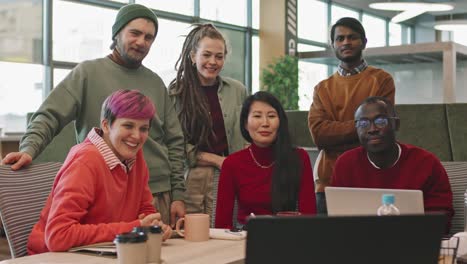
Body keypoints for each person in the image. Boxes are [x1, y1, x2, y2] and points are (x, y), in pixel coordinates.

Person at [1, 4, 186, 226]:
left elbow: (175, 141)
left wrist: (178, 195)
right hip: (107, 194)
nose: (141, 42)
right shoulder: (87, 73)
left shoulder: (156, 82)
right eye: (134, 33)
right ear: (116, 34)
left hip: (157, 195)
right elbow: (49, 115)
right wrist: (28, 149)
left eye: (149, 37)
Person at [27, 90, 172, 254]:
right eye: (128, 126)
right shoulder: (85, 161)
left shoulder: (134, 156)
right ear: (105, 125)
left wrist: (153, 226)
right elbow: (58, 236)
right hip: (53, 257)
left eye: (144, 128)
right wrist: (135, 228)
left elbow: (144, 209)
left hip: (103, 253)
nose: (137, 136)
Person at [308, 17, 395, 214]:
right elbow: (319, 135)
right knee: (328, 244)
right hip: (328, 184)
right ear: (333, 45)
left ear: (364, 42)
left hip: (372, 178)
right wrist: (363, 126)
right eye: (340, 39)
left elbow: (381, 130)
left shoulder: (382, 80)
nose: (345, 42)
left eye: (352, 37)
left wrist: (337, 132)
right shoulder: (322, 88)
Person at [331, 96, 454, 228]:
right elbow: (337, 218)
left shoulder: (427, 163)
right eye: (363, 123)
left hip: (415, 241)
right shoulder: (345, 164)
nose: (372, 129)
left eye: (380, 121)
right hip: (359, 242)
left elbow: (442, 218)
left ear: (396, 124)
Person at [168, 23, 247, 223]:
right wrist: (216, 160)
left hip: (230, 178)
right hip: (192, 180)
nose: (213, 62)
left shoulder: (238, 90)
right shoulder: (177, 92)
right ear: (193, 56)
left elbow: (247, 136)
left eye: (219, 56)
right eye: (206, 55)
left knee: (227, 234)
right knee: (192, 239)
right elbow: (174, 145)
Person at [215, 91, 316, 229]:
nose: (265, 123)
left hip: (289, 238)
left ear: (280, 122)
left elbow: (309, 217)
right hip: (246, 241)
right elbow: (222, 225)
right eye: (257, 116)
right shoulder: (232, 164)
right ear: (245, 123)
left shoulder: (299, 157)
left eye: (271, 116)